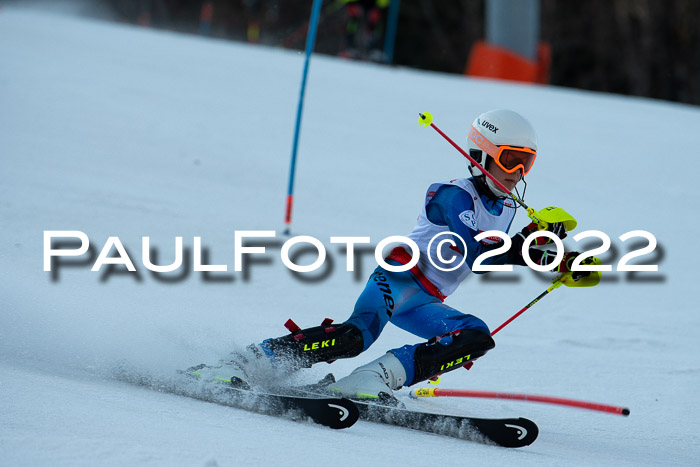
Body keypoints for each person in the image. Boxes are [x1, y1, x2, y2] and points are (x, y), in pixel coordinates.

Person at [197, 109, 580, 403]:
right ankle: (244, 362)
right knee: (355, 336)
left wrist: (552, 257)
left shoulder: (507, 208)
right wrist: (526, 247)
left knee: (474, 336)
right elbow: (470, 251)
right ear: (481, 153)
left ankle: (371, 379)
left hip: (428, 299)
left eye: (526, 162)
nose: (517, 172)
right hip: (399, 278)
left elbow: (490, 256)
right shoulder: (452, 194)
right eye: (510, 159)